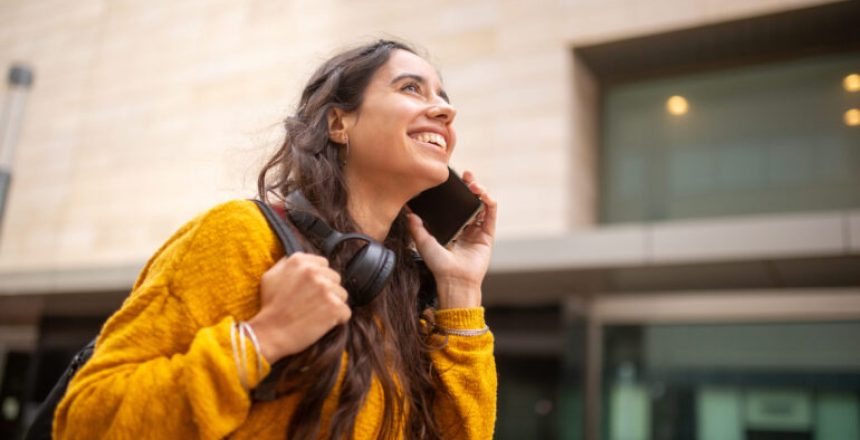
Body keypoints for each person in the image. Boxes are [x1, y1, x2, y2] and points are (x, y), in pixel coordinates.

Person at [53, 39, 497, 439]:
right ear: (339, 124)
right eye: (411, 88)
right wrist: (261, 339)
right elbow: (86, 422)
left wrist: (461, 289)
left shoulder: (402, 296)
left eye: (443, 96)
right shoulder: (241, 235)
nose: (445, 109)